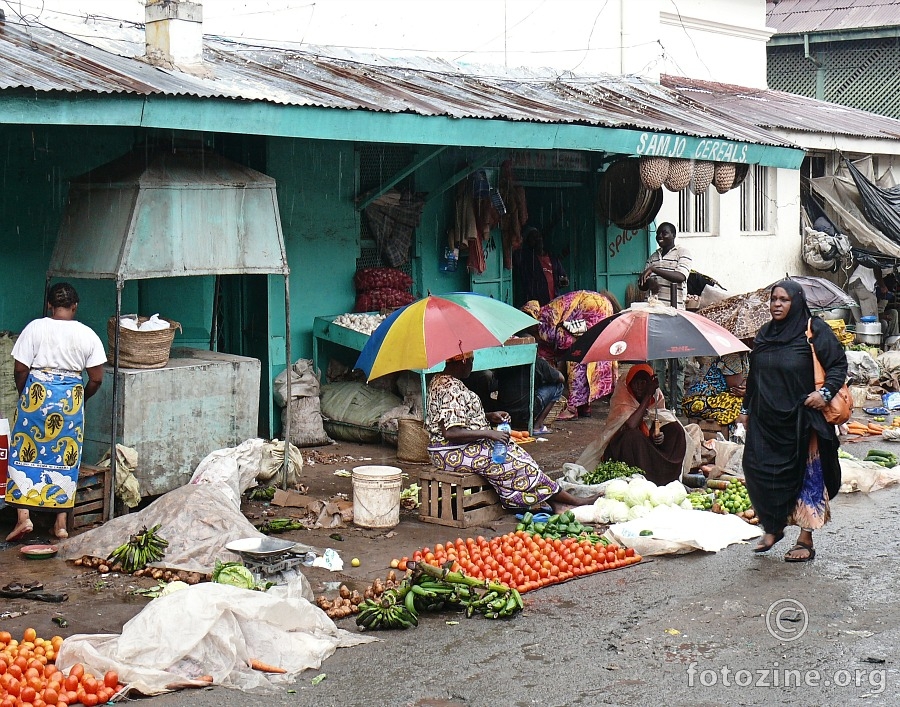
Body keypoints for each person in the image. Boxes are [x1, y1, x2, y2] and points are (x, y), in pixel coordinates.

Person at [739, 280, 847, 562]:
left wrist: (824, 394)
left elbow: (838, 364)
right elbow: (754, 375)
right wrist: (746, 410)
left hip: (802, 419)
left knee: (806, 476)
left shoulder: (813, 330)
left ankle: (805, 540)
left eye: (784, 300)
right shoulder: (764, 334)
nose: (777, 304)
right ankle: (773, 527)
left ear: (796, 302)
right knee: (756, 469)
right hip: (766, 419)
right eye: (773, 299)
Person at [425, 351, 597, 512]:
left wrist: (489, 416)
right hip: (452, 453)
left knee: (515, 451)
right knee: (517, 464)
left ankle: (554, 501)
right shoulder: (450, 388)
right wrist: (489, 433)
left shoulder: (440, 380)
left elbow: (452, 417)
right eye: (471, 360)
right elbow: (451, 432)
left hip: (451, 450)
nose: (472, 365)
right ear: (463, 361)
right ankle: (570, 501)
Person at [4, 282, 106, 542]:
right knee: (66, 456)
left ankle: (24, 518)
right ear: (75, 306)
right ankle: (61, 525)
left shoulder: (35, 328)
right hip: (69, 399)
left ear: (49, 305)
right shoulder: (87, 335)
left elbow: (20, 369)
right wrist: (81, 399)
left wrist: (25, 395)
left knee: (23, 451)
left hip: (36, 396)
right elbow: (96, 378)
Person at [576, 364, 687, 486]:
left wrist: (658, 436)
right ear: (629, 384)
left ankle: (667, 477)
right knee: (633, 436)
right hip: (622, 450)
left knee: (675, 429)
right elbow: (630, 425)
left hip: (646, 449)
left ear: (650, 384)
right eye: (636, 383)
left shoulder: (656, 398)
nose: (639, 386)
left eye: (644, 382)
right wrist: (647, 395)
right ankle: (643, 479)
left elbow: (656, 423)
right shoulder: (623, 399)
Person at [523, 290, 617, 418]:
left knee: (576, 357)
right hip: (602, 305)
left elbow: (561, 341)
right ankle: (585, 406)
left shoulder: (543, 319)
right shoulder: (548, 309)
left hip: (591, 309)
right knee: (588, 357)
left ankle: (573, 408)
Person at [638, 222, 692, 411]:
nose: (660, 236)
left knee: (677, 363)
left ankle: (676, 405)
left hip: (676, 314)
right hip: (655, 314)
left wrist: (654, 270)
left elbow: (680, 276)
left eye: (665, 233)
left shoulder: (682, 253)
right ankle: (660, 403)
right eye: (658, 233)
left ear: (673, 235)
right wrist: (648, 283)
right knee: (657, 363)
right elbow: (643, 284)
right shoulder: (653, 257)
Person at [492, 355, 566, 435]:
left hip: (504, 412)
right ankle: (537, 426)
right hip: (525, 412)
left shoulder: (504, 362)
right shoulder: (538, 362)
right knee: (558, 386)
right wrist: (550, 368)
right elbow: (561, 378)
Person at [681, 350, 750, 426]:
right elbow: (737, 387)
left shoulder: (746, 356)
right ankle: (735, 434)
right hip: (696, 401)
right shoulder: (731, 356)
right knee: (743, 405)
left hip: (715, 397)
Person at [513, 226, 568, 307]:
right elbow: (515, 257)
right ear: (528, 242)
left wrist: (559, 283)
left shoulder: (553, 259)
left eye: (539, 236)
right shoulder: (527, 260)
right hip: (536, 305)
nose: (538, 239)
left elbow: (564, 279)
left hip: (554, 304)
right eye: (533, 238)